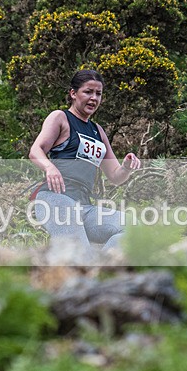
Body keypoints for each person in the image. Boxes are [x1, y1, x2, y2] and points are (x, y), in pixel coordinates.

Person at [29, 69, 141, 254]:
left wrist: (127, 167)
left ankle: (101, 269)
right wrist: (49, 167)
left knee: (134, 230)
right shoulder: (60, 118)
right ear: (73, 93)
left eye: (98, 93)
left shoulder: (98, 131)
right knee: (80, 255)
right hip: (57, 200)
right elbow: (35, 151)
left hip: (85, 206)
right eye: (88, 92)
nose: (94, 98)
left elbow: (115, 176)